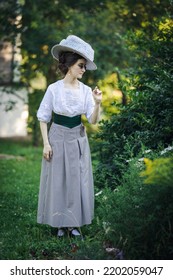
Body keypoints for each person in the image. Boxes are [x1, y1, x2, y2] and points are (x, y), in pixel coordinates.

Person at [37, 35, 102, 238]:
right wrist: (46, 144)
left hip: (77, 138)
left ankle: (73, 225)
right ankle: (58, 222)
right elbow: (43, 117)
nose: (83, 70)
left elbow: (92, 121)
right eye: (81, 65)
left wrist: (97, 102)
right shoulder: (53, 89)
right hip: (57, 136)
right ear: (71, 65)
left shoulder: (85, 91)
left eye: (84, 66)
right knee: (58, 179)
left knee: (76, 179)